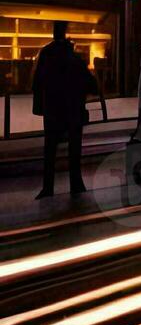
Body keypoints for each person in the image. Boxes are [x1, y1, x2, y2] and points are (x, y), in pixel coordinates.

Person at [32, 22, 94, 198]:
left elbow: (37, 83)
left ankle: (48, 187)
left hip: (53, 110)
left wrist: (40, 108)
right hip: (74, 109)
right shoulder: (75, 58)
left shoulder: (46, 55)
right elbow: (90, 84)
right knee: (74, 150)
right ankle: (76, 184)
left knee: (50, 150)